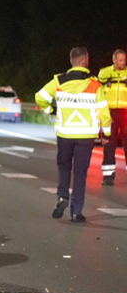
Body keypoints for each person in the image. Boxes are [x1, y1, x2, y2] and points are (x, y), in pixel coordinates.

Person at [35, 47, 112, 223]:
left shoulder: (58, 81)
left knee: (64, 168)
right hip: (86, 136)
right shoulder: (94, 84)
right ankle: (76, 212)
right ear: (85, 61)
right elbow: (104, 113)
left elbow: (40, 97)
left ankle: (62, 196)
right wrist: (106, 134)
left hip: (65, 134)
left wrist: (51, 110)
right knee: (80, 173)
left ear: (72, 61)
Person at [97, 49, 127, 185]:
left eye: (124, 60)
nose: (123, 62)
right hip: (110, 114)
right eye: (120, 60)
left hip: (125, 113)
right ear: (114, 60)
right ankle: (108, 177)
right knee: (109, 145)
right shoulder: (104, 73)